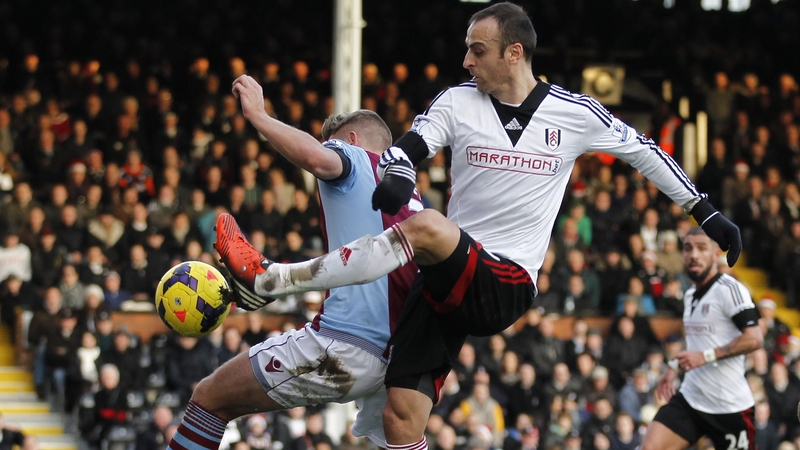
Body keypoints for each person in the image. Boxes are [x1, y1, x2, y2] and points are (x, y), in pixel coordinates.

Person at [216, 4, 742, 450]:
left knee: (427, 227)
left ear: (515, 52)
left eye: (478, 50)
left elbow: (645, 153)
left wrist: (707, 213)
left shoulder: (573, 112)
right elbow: (413, 142)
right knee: (401, 418)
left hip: (506, 280)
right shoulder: (458, 101)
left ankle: (274, 281)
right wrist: (399, 171)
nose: (466, 60)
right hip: (445, 278)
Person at [165, 77, 419, 450]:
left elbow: (317, 158)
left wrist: (259, 117)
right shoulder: (413, 198)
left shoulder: (354, 157)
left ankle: (266, 279)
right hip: (396, 360)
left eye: (332, 140)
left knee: (209, 398)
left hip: (344, 343)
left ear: (350, 140)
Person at [640, 227, 763, 450]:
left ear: (716, 254)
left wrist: (705, 357)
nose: (694, 255)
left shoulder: (730, 290)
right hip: (691, 398)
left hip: (729, 406)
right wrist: (674, 365)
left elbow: (754, 339)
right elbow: (699, 343)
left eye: (701, 248)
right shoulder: (689, 296)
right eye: (688, 248)